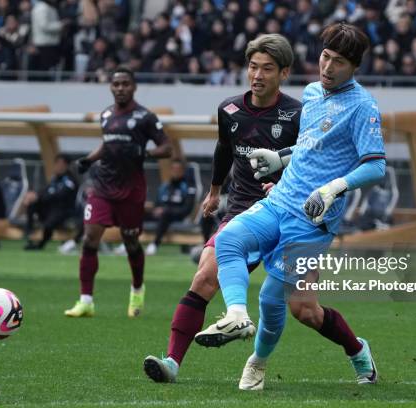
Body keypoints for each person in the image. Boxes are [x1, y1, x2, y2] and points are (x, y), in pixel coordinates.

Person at [196, 23, 386, 390]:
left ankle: (261, 362)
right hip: (280, 199)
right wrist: (280, 158)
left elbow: (375, 164)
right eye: (325, 57)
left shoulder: (363, 107)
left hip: (312, 221)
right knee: (228, 240)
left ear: (355, 66)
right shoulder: (314, 92)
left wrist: (333, 188)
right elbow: (315, 146)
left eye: (339, 62)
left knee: (282, 303)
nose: (328, 68)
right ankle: (236, 315)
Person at [143, 34, 302, 383]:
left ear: (284, 73)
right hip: (241, 211)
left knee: (307, 311)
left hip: (286, 215)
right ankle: (172, 362)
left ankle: (356, 351)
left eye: (267, 69)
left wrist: (288, 183)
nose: (257, 75)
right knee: (203, 278)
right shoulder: (230, 110)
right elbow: (223, 150)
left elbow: (310, 163)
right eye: (252, 67)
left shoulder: (296, 114)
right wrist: (214, 192)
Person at [64, 66, 172, 318]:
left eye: (125, 84)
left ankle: (137, 289)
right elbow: (108, 143)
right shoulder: (106, 115)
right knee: (90, 238)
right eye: (116, 84)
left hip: (131, 190)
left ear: (133, 87)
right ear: (111, 87)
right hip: (102, 185)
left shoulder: (145, 117)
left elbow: (167, 148)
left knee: (131, 242)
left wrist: (144, 152)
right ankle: (86, 301)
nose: (120, 88)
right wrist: (89, 160)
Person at [23, 154, 78, 250]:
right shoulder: (55, 178)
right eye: (57, 163)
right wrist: (34, 196)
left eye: (61, 164)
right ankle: (29, 234)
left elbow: (59, 195)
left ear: (67, 165)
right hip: (51, 208)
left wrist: (39, 197)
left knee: (49, 223)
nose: (58, 166)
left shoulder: (70, 180)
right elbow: (45, 190)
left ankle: (41, 244)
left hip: (64, 211)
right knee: (32, 203)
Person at [145, 159, 196, 256]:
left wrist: (166, 211)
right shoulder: (165, 186)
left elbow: (187, 209)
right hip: (161, 215)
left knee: (166, 213)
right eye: (173, 169)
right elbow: (157, 204)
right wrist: (153, 209)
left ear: (182, 171)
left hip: (178, 216)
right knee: (138, 211)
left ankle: (154, 244)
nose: (176, 171)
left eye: (178, 169)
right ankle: (129, 242)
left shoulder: (188, 186)